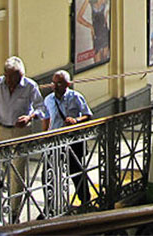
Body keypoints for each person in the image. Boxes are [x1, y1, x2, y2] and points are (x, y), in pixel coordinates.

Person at [0, 56, 45, 220]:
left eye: (16, 78)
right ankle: (4, 203)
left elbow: (41, 108)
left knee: (18, 171)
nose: (12, 82)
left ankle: (14, 211)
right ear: (5, 75)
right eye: (9, 78)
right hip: (3, 130)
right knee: (3, 169)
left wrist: (29, 117)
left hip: (21, 132)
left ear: (21, 76)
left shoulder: (30, 86)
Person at [42, 70, 92, 205]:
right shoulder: (48, 99)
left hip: (72, 141)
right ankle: (50, 205)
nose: (55, 86)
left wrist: (76, 120)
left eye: (59, 83)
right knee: (48, 174)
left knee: (76, 172)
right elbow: (46, 118)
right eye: (53, 83)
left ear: (67, 84)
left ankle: (85, 200)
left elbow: (88, 115)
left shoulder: (76, 97)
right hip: (55, 141)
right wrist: (44, 135)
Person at [76, 0, 110, 65]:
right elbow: (79, 17)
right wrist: (90, 27)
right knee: (97, 61)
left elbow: (107, 12)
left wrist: (107, 15)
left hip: (104, 31)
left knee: (105, 59)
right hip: (96, 32)